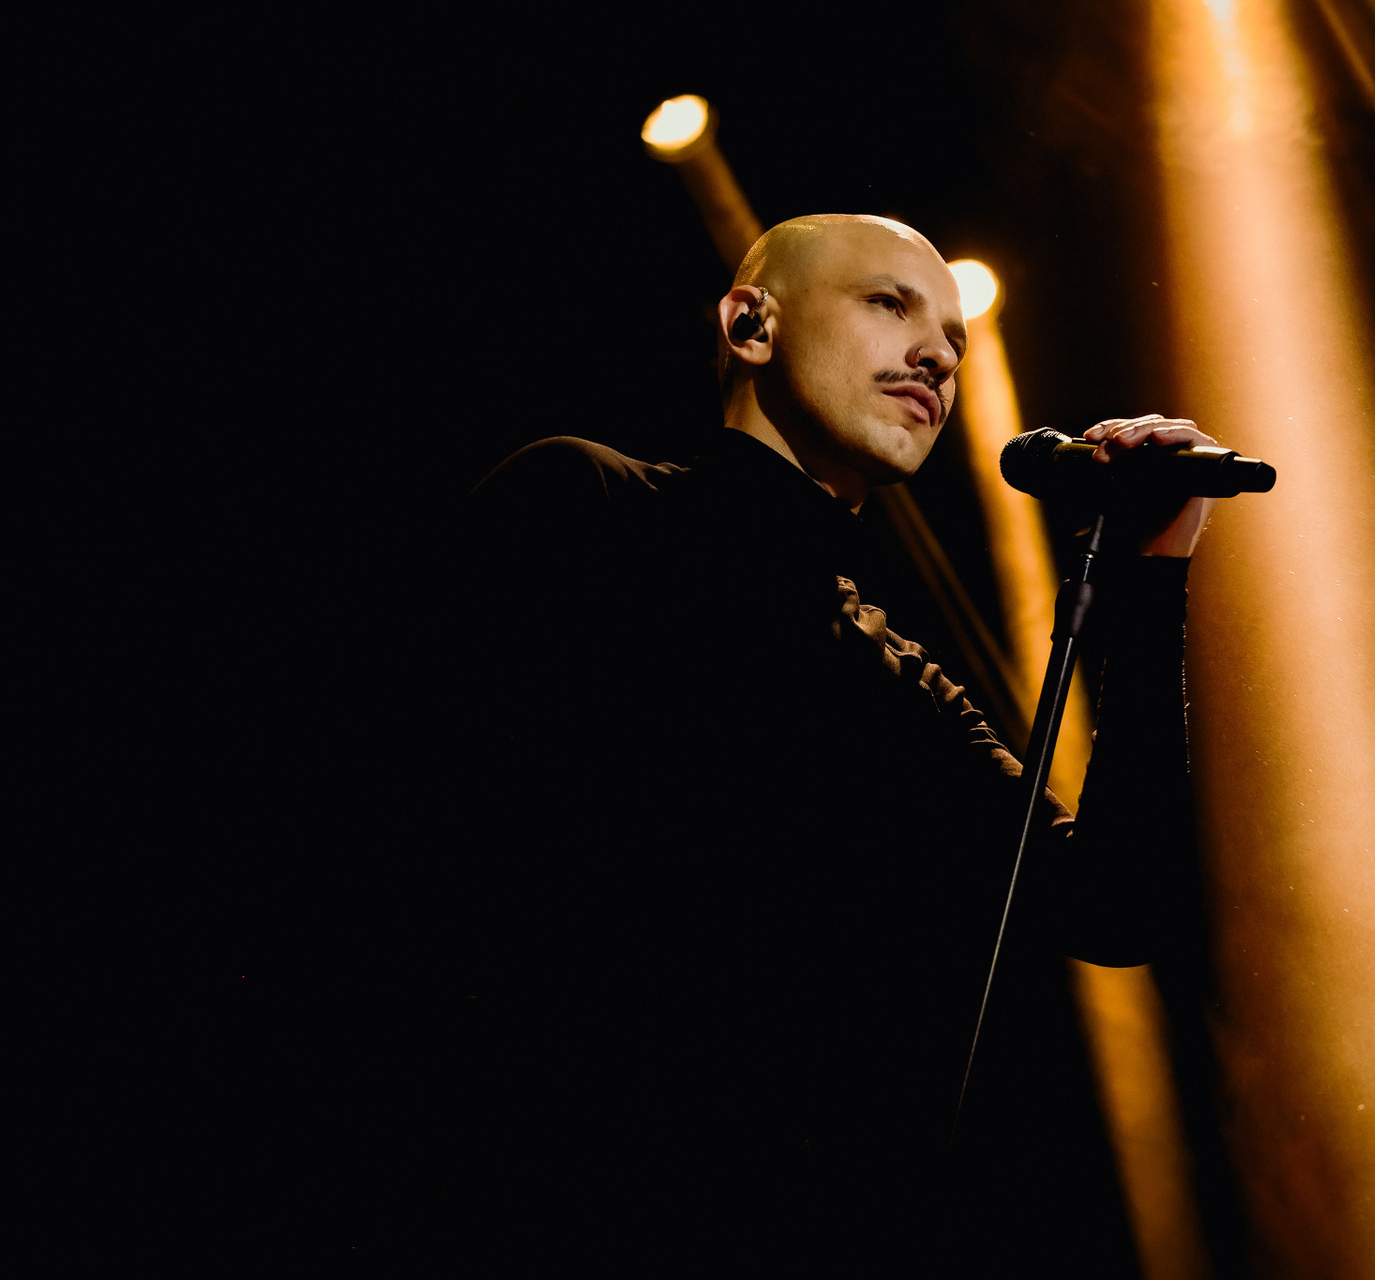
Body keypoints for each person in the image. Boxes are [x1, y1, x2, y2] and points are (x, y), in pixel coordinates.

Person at [437, 214, 1224, 1273]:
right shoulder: (588, 505)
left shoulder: (891, 677)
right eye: (890, 304)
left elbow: (1116, 907)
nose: (938, 354)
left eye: (954, 338)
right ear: (751, 324)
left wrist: (1151, 581)